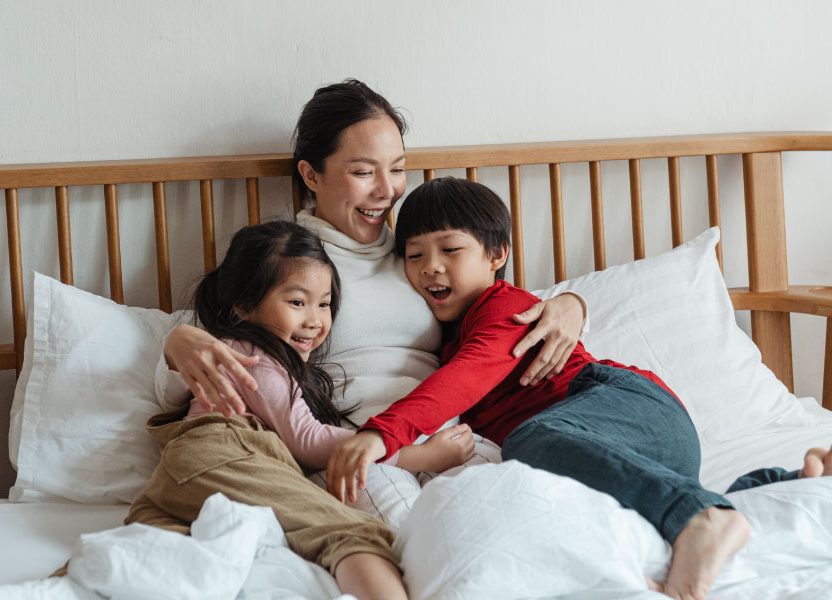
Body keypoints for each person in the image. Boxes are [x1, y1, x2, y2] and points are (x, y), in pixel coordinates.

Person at [324, 177, 832, 600]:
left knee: (530, 441)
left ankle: (702, 516)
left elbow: (465, 379)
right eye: (414, 256)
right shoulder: (446, 335)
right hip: (620, 450)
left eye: (449, 250)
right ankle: (779, 486)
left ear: (497, 255)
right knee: (579, 495)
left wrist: (381, 435)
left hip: (620, 404)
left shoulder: (508, 309)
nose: (430, 267)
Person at [160, 79, 589, 514]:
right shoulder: (287, 262)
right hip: (356, 446)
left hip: (451, 441)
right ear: (311, 174)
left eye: (398, 169)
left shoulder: (421, 255)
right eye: (364, 172)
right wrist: (177, 344)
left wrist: (572, 306)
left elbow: (493, 311)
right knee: (411, 536)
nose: (387, 191)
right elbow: (222, 361)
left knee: (526, 513)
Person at [127, 221, 476, 600]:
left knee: (151, 554)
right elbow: (308, 440)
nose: (314, 319)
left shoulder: (255, 357)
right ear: (243, 305)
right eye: (297, 302)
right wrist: (419, 456)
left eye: (324, 304)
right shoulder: (255, 358)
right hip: (222, 454)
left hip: (185, 474)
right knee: (355, 533)